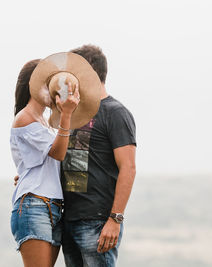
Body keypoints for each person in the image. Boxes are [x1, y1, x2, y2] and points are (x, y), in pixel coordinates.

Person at [60, 45, 137, 267]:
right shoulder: (72, 113)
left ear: (89, 74)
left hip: (97, 222)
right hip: (70, 219)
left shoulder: (115, 113)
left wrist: (115, 219)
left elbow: (128, 168)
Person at [10, 58, 80, 267]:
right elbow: (57, 154)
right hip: (35, 205)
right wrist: (66, 114)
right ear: (34, 85)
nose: (56, 89)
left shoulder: (45, 124)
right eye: (50, 83)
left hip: (53, 206)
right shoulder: (25, 118)